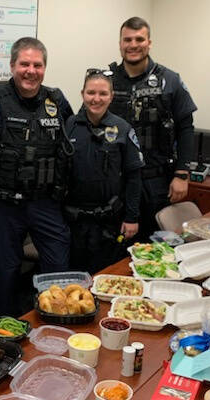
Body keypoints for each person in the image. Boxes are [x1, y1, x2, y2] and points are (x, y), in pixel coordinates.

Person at [0, 37, 73, 316]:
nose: (30, 71)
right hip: (6, 203)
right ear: (12, 66)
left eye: (37, 65)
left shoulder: (56, 99)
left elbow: (72, 141)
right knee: (8, 270)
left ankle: (53, 321)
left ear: (44, 68)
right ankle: (7, 328)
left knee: (58, 265)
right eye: (24, 64)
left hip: (45, 202)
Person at [109, 17, 197, 240]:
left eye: (139, 39)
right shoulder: (106, 81)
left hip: (156, 181)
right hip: (116, 181)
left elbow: (186, 128)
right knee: (116, 244)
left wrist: (182, 174)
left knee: (156, 246)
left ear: (149, 43)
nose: (133, 45)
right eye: (127, 39)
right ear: (120, 43)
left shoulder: (169, 80)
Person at [64, 70, 143, 274]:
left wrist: (132, 217)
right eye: (91, 93)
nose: (96, 99)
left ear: (111, 96)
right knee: (75, 276)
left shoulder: (123, 129)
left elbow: (134, 176)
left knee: (106, 274)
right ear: (82, 94)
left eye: (103, 93)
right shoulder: (69, 126)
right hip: (74, 221)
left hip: (109, 220)